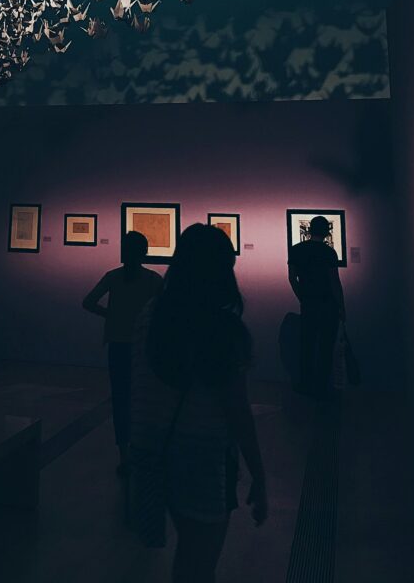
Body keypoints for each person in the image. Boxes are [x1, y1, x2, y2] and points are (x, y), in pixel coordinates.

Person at [130, 224, 267, 583]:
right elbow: (238, 412)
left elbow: (140, 386)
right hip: (202, 456)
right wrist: (259, 474)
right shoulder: (222, 330)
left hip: (151, 451)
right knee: (199, 561)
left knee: (188, 557)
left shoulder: (151, 314)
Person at [82, 231, 163, 474]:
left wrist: (110, 315)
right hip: (143, 346)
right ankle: (143, 450)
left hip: (118, 343)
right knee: (144, 399)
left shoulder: (113, 277)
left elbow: (88, 302)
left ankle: (124, 454)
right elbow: (165, 310)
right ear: (144, 252)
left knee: (121, 399)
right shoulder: (152, 280)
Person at [288, 215, 346, 399]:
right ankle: (322, 386)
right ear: (326, 232)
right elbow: (334, 282)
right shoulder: (329, 253)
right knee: (325, 346)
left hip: (309, 304)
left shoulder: (296, 250)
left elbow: (292, 278)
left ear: (310, 230)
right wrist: (342, 306)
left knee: (307, 344)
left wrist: (302, 297)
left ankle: (305, 384)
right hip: (328, 304)